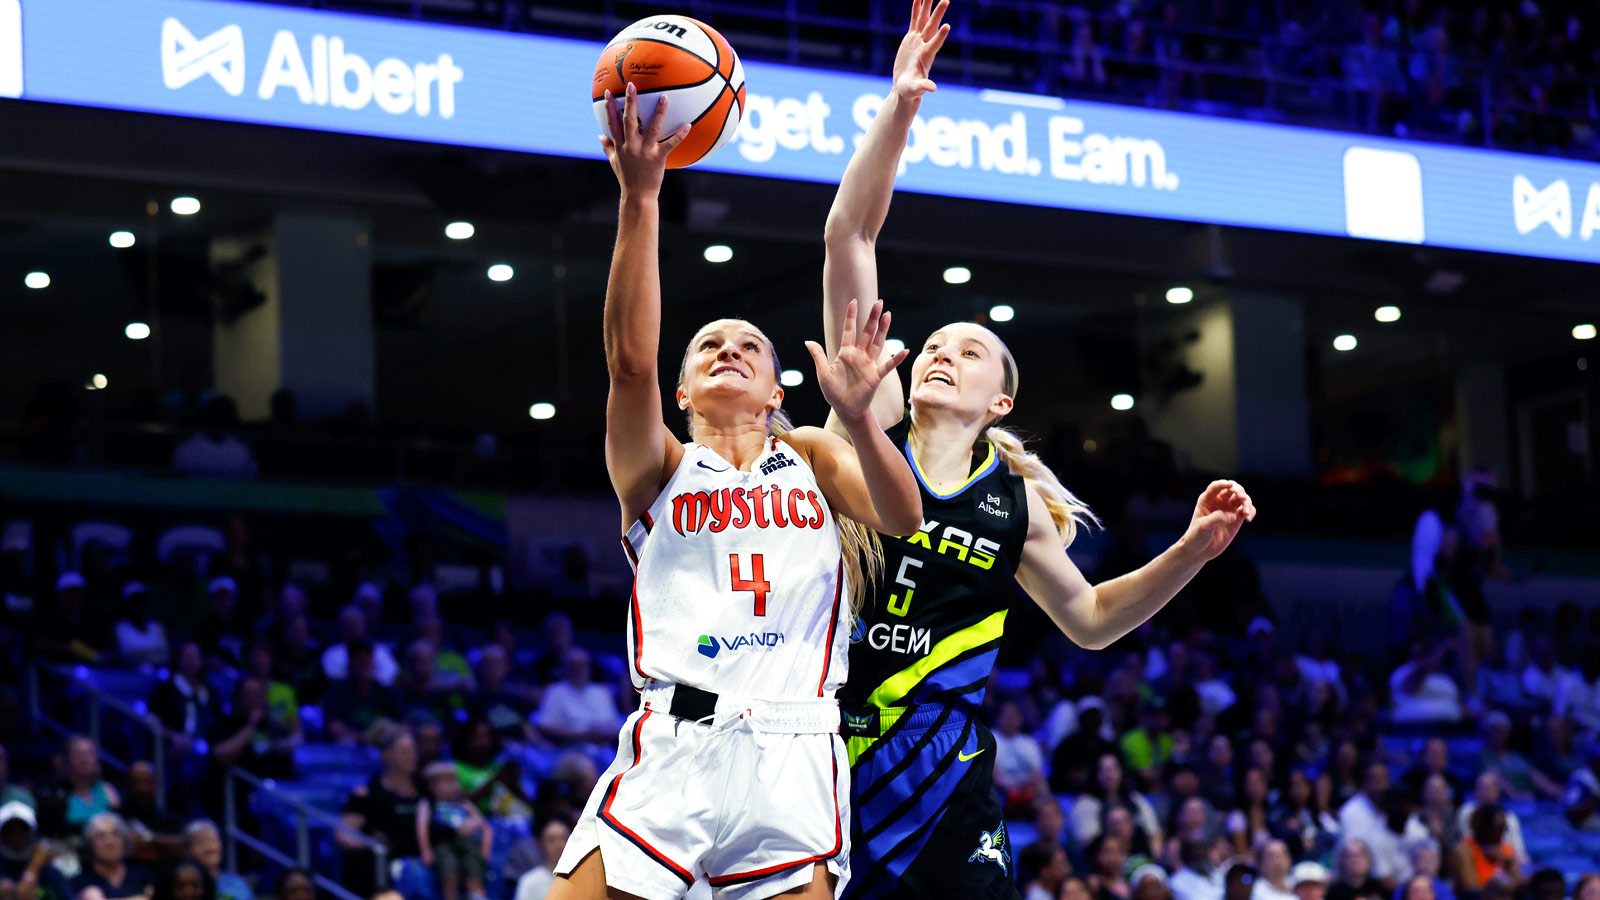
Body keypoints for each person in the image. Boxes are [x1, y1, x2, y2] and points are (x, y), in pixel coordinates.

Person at [819, 9, 1256, 898]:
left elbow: (1092, 621)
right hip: (828, 763)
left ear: (1001, 402)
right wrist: (900, 106)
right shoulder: (870, 425)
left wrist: (1191, 551)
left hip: (948, 783)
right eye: (936, 341)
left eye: (970, 350)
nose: (943, 351)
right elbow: (848, 238)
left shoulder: (1013, 505)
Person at [551, 47, 923, 900]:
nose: (729, 349)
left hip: (793, 750)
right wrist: (641, 198)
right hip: (672, 743)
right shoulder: (657, 467)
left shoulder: (816, 456)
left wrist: (861, 413)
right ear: (681, 388)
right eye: (707, 346)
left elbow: (904, 520)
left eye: (748, 344)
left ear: (777, 389)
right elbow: (626, 363)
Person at [338, 721, 422, 898]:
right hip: (383, 870)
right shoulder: (367, 794)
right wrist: (371, 846)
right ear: (386, 755)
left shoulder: (424, 791)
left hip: (424, 865)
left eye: (413, 750)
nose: (412, 756)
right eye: (405, 751)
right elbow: (343, 836)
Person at [416, 762, 491, 900]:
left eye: (453, 781)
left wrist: (485, 849)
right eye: (445, 782)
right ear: (432, 787)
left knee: (474, 876)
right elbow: (422, 828)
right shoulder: (428, 804)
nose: (451, 786)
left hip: (469, 845)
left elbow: (485, 827)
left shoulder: (465, 804)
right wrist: (426, 851)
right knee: (449, 876)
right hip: (443, 844)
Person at [533, 650, 621, 752]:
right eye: (574, 665)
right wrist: (582, 735)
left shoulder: (602, 692)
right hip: (567, 749)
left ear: (590, 668)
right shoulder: (555, 691)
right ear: (565, 668)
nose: (578, 670)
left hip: (603, 749)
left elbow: (615, 726)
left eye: (582, 665)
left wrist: (600, 734)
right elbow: (544, 726)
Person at [1074, 754, 1164, 850]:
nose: (1109, 775)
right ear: (1095, 774)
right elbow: (1087, 844)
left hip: (1136, 853)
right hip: (1103, 857)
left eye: (1113, 769)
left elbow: (1154, 833)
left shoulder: (1135, 798)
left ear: (1121, 772)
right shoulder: (1085, 804)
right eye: (1104, 770)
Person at [323, 641, 401, 744]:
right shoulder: (337, 691)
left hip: (382, 745)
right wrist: (361, 738)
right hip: (349, 745)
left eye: (367, 657)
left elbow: (402, 724)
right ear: (350, 663)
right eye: (359, 658)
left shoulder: (386, 691)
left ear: (374, 662)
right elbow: (333, 726)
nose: (364, 662)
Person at [71, 813, 152, 900]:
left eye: (116, 834)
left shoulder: (144, 877)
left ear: (124, 840)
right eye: (101, 836)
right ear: (90, 844)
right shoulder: (78, 883)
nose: (110, 842)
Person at [0, 801, 69, 900]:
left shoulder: (50, 873)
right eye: (9, 830)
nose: (16, 836)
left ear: (31, 834)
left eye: (22, 829)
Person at [1451, 804, 1523, 896]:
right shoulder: (1464, 850)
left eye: (1503, 828)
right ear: (1482, 827)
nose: (1501, 834)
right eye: (1497, 829)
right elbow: (1471, 890)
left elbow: (1519, 885)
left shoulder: (1506, 850)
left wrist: (1508, 862)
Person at [181, 821, 250, 900]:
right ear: (187, 850)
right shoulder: (185, 888)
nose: (210, 848)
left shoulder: (236, 882)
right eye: (201, 843)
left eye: (213, 840)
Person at [113, 582, 169, 667]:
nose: (139, 606)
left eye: (142, 601)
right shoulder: (120, 628)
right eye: (135, 602)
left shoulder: (157, 627)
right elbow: (127, 654)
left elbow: (166, 654)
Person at [514, 819, 571, 900]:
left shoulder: (582, 878)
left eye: (563, 838)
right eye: (552, 840)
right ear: (542, 844)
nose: (558, 845)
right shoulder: (529, 881)